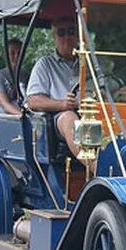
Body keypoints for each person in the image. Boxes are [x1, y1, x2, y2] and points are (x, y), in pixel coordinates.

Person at [26, 18, 82, 162]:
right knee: (70, 118)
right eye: (61, 33)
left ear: (78, 35)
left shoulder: (90, 62)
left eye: (71, 32)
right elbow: (33, 101)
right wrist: (63, 104)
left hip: (93, 114)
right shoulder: (45, 64)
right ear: (54, 38)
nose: (67, 37)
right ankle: (98, 168)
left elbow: (108, 86)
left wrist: (122, 92)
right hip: (60, 118)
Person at [0, 38, 26, 115]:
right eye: (12, 53)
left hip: (26, 111)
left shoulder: (26, 75)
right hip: (7, 117)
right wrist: (22, 115)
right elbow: (5, 105)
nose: (16, 56)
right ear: (6, 55)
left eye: (19, 53)